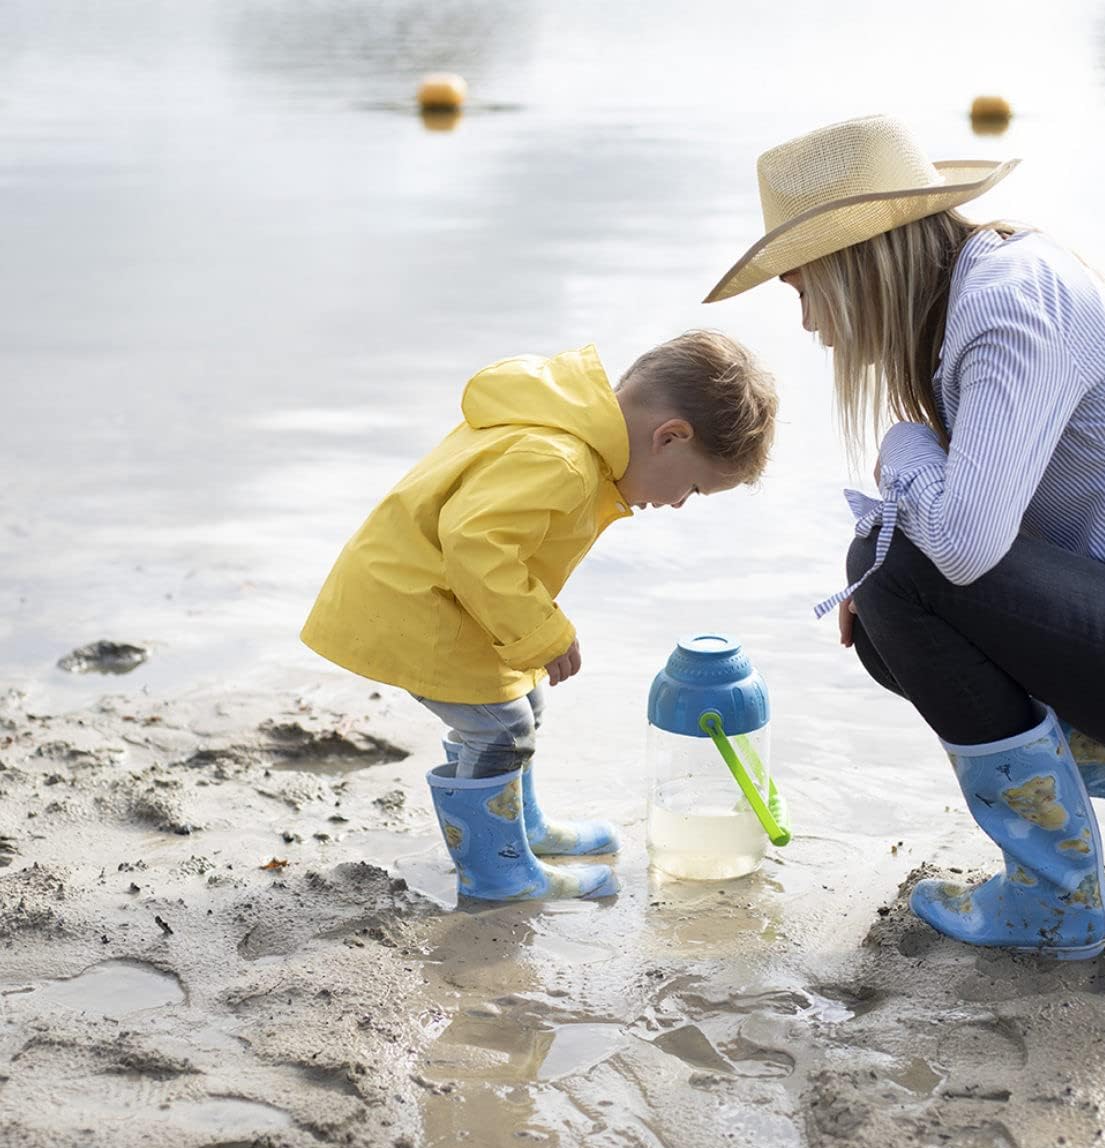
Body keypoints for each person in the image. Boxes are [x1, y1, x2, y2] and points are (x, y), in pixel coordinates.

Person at [705, 114, 1105, 960]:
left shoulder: (1008, 303)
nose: (807, 323)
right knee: (884, 596)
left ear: (853, 266)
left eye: (802, 288)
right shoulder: (989, 294)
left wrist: (902, 447)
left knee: (898, 568)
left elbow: (960, 550)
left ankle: (1055, 898)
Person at [302, 332, 778, 904]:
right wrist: (543, 631)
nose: (678, 504)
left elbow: (497, 544)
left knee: (522, 704)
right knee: (499, 728)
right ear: (669, 436)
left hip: (440, 598)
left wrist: (532, 625)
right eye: (694, 488)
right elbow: (476, 544)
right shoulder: (562, 460)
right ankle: (498, 874)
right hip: (416, 605)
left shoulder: (568, 438)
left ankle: (520, 829)